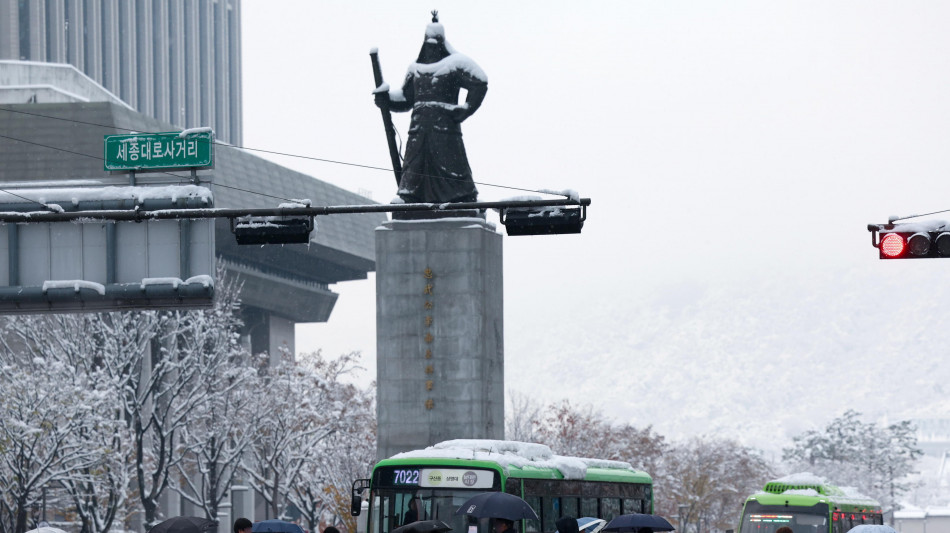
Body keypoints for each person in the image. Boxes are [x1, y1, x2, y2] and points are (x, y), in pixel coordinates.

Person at [374, 10, 488, 205]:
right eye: (428, 45)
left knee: (450, 164)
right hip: (418, 130)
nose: (431, 49)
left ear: (442, 44)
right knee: (414, 167)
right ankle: (411, 197)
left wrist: (466, 108)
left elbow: (480, 82)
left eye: (435, 45)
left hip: (444, 128)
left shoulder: (454, 64)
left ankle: (460, 198)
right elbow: (406, 99)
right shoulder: (415, 69)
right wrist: (387, 100)